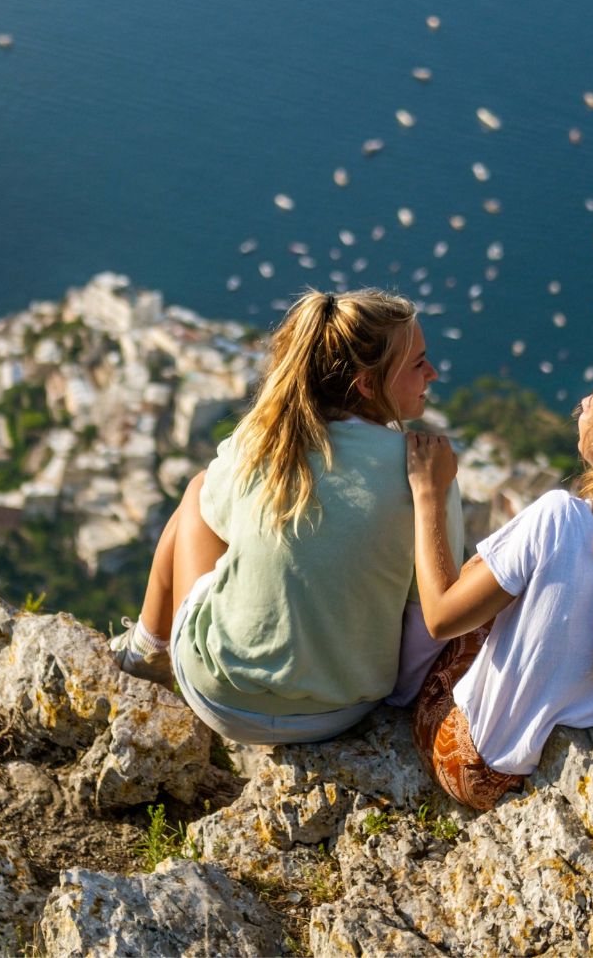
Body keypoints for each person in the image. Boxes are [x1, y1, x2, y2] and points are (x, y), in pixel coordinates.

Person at [112, 287, 463, 744]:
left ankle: (145, 650)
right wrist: (395, 699)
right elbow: (425, 624)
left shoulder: (266, 440)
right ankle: (149, 649)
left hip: (218, 696)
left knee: (200, 491)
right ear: (367, 384)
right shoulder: (425, 470)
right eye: (418, 363)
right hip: (341, 710)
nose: (432, 373)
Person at [404, 355, 593, 809]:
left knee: (478, 588)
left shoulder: (559, 517)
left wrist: (428, 493)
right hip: (546, 768)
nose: (583, 402)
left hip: (470, 761)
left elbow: (440, 618)